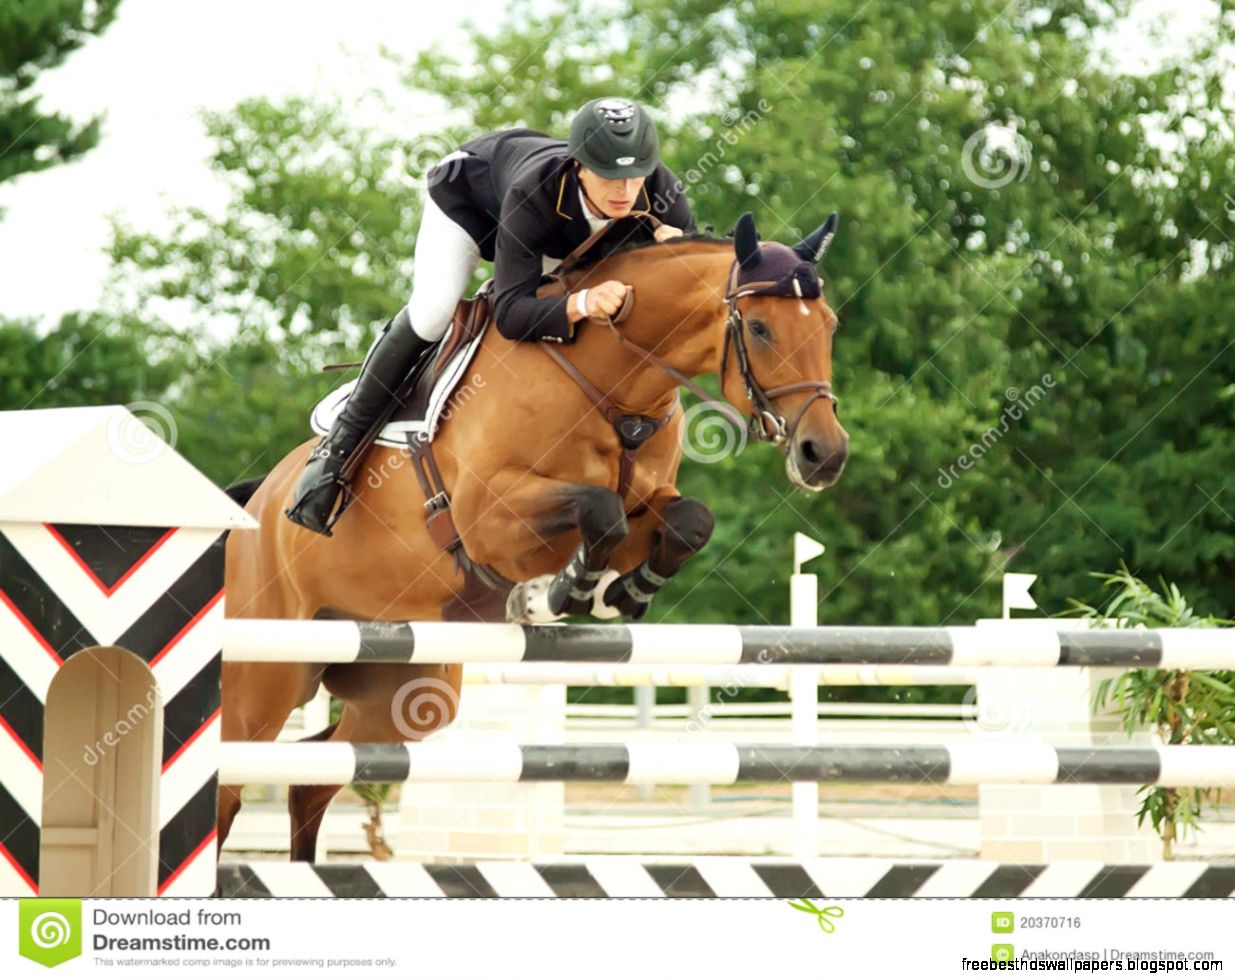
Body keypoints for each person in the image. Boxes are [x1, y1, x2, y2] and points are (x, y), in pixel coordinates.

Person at [285, 96, 697, 535]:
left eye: (635, 176)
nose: (624, 190)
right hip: (471, 203)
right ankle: (336, 452)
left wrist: (678, 252)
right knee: (434, 310)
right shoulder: (535, 190)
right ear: (579, 166)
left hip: (556, 243)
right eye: (610, 177)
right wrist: (580, 305)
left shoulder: (662, 195)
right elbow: (512, 312)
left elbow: (690, 292)